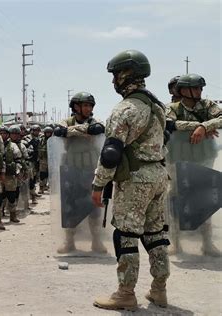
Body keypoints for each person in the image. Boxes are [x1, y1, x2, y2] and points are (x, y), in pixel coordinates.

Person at [91, 50, 170, 310]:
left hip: (136, 179)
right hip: (158, 175)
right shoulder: (157, 106)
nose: (114, 81)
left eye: (115, 75)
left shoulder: (125, 109)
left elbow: (111, 154)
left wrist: (98, 185)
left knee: (126, 235)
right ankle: (159, 290)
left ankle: (126, 294)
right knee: (156, 234)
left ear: (126, 75)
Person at [166, 73, 222, 256]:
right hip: (177, 160)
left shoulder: (207, 106)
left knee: (204, 198)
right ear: (183, 90)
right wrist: (200, 125)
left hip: (203, 157)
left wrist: (205, 127)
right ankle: (175, 242)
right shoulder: (171, 108)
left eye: (200, 88)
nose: (199, 91)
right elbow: (170, 124)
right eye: (196, 88)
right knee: (175, 198)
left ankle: (207, 243)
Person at [54, 92, 107, 254]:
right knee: (69, 206)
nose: (88, 108)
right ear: (76, 107)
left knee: (94, 207)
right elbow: (59, 131)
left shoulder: (95, 121)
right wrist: (84, 132)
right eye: (85, 105)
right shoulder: (66, 121)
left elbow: (98, 129)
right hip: (71, 170)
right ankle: (69, 242)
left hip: (91, 170)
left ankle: (96, 242)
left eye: (90, 105)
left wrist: (74, 131)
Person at [7, 125, 25, 223]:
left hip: (16, 171)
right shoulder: (4, 144)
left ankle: (13, 213)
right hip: (4, 171)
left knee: (14, 192)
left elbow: (22, 160)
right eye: (12, 134)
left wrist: (22, 170)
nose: (14, 136)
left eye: (16, 134)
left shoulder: (21, 145)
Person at [37, 126, 53, 194]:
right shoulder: (42, 140)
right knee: (42, 174)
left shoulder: (53, 139)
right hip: (43, 159)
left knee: (51, 174)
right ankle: (41, 187)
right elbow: (39, 148)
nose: (48, 134)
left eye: (49, 133)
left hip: (52, 159)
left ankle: (51, 187)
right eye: (47, 133)